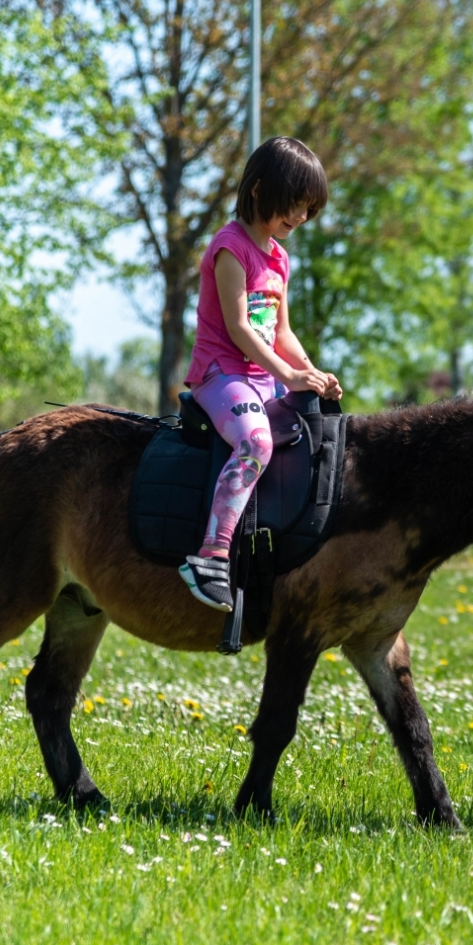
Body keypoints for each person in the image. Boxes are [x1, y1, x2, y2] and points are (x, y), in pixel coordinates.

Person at [176, 137, 342, 611]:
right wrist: (288, 377)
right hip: (222, 374)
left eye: (309, 209)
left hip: (264, 376)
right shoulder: (231, 247)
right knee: (257, 443)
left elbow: (281, 331)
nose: (301, 217)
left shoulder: (278, 257)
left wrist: (311, 372)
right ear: (259, 190)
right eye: (294, 204)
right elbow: (241, 329)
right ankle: (211, 555)